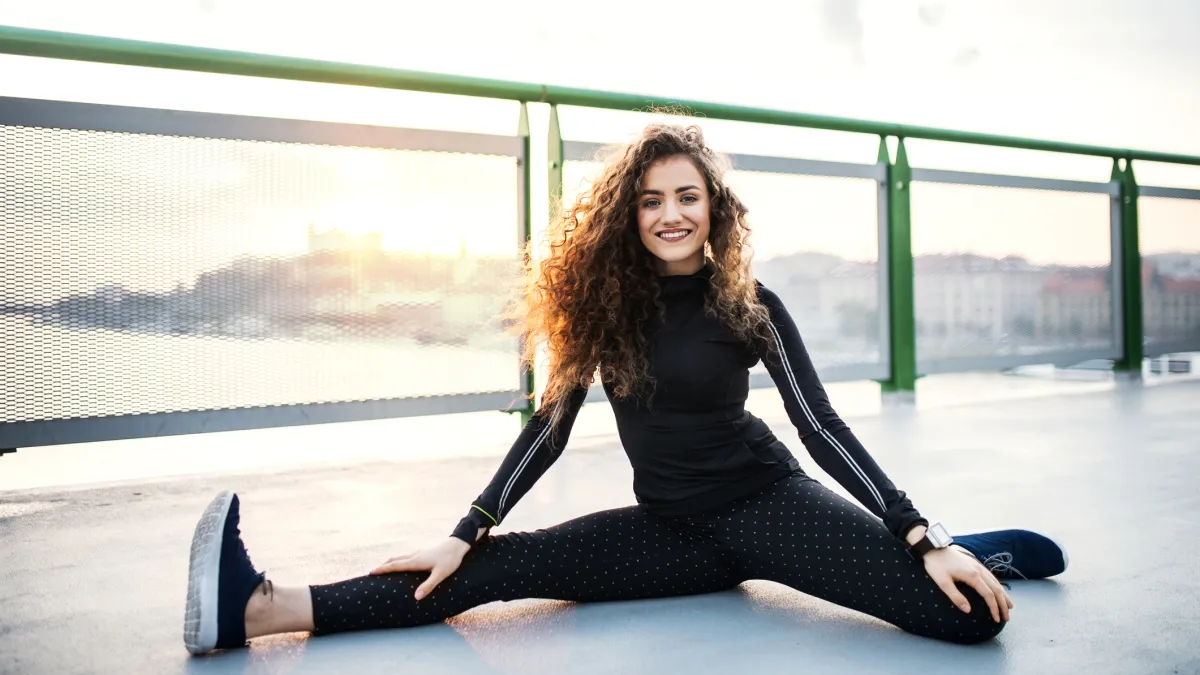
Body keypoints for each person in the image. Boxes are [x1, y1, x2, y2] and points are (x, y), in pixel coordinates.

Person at [182, 123, 1068, 656]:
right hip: (674, 532)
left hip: (770, 507)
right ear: (628, 214)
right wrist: (467, 529)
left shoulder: (751, 305)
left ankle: (959, 549)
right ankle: (256, 609)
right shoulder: (599, 308)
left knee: (967, 622)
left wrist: (923, 533)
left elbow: (819, 425)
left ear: (713, 207)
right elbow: (548, 429)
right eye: (650, 200)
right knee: (500, 571)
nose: (671, 213)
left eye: (687, 196)